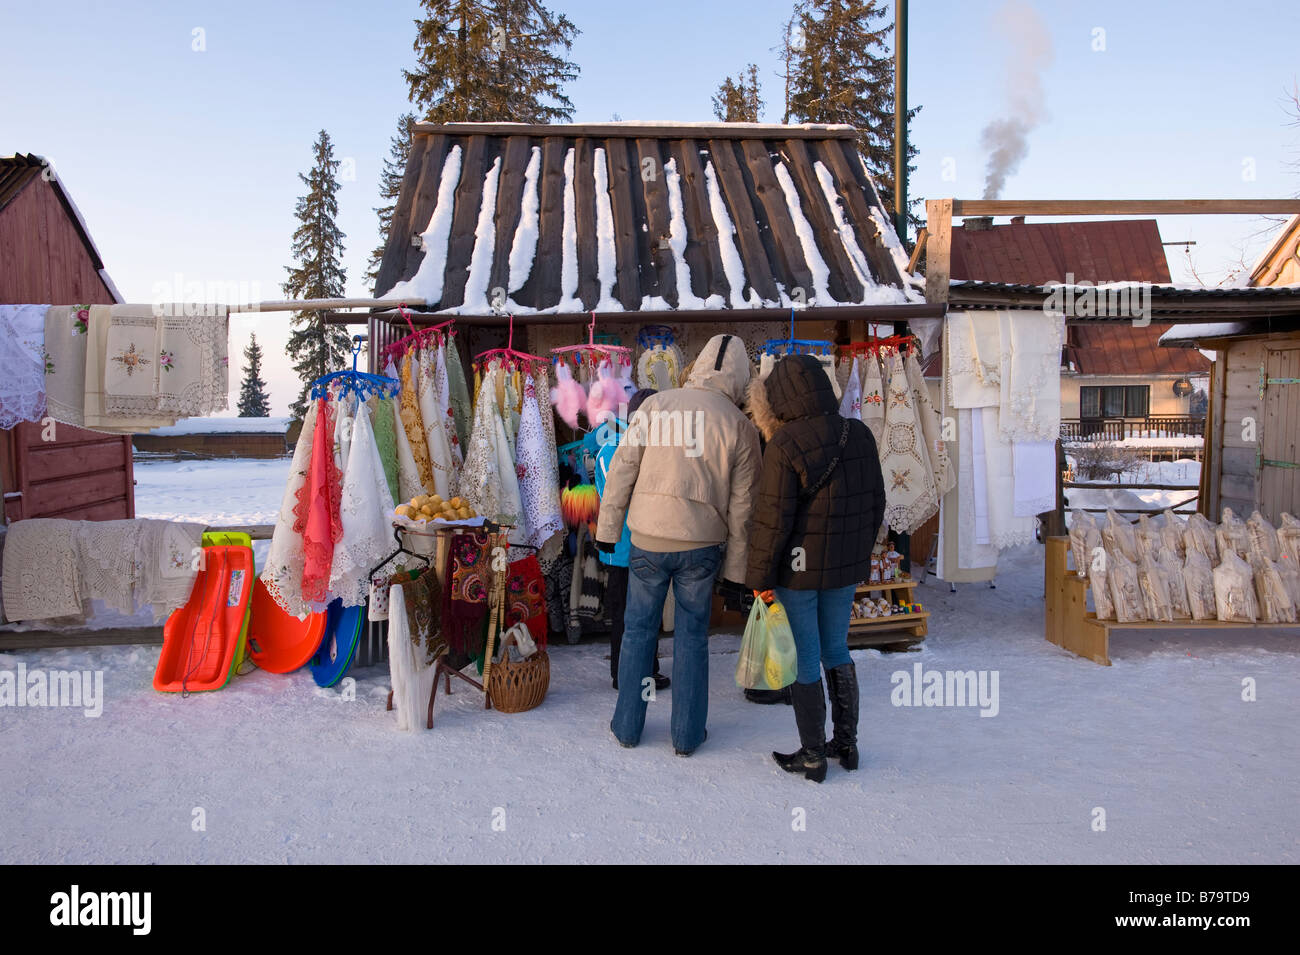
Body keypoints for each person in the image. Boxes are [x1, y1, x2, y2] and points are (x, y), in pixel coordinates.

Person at [597, 334, 761, 756]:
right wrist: (736, 573)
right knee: (691, 638)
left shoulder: (656, 405)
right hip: (702, 545)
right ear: (742, 377)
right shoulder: (741, 426)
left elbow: (621, 472)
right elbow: (744, 509)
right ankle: (686, 735)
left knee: (638, 631)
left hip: (647, 539)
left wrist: (608, 531)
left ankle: (627, 726)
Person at [745, 354, 884, 782]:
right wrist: (857, 556)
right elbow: (876, 503)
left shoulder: (785, 444)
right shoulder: (857, 433)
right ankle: (846, 743)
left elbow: (773, 520)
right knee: (836, 650)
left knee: (804, 659)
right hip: (843, 569)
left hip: (798, 571)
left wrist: (758, 579)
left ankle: (812, 754)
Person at [594, 388, 669, 692]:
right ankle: (623, 674)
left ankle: (646, 669)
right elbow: (618, 495)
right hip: (623, 547)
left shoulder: (644, 443)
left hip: (642, 542)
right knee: (627, 614)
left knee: (645, 612)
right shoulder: (613, 447)